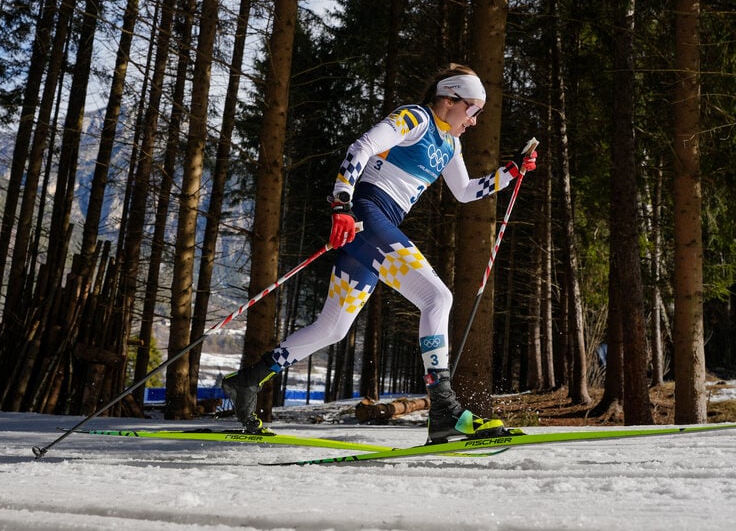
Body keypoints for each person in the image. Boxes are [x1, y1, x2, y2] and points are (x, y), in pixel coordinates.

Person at [222, 64, 537, 443]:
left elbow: (466, 190)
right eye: (472, 110)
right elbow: (363, 146)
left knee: (333, 328)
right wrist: (341, 205)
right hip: (366, 217)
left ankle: (246, 381)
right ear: (450, 99)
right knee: (436, 297)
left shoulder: (450, 143)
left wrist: (511, 172)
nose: (474, 121)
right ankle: (443, 408)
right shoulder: (416, 118)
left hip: (373, 231)